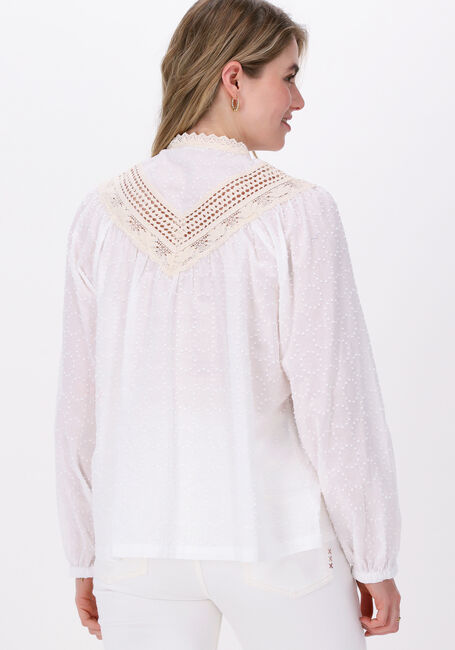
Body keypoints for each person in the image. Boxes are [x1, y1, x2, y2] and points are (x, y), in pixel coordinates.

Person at [54, 1, 402, 648]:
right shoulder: (298, 215)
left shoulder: (98, 217)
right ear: (234, 77)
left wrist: (85, 553)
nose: (298, 100)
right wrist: (374, 555)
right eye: (288, 77)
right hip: (275, 542)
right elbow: (336, 406)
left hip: (135, 551)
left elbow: (78, 408)